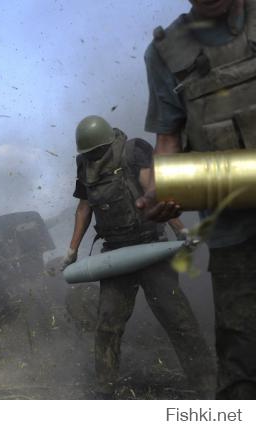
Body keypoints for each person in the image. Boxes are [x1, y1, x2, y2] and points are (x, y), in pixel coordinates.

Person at [142, 0, 256, 399]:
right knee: (243, 363)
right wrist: (162, 188)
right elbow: (168, 139)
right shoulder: (165, 51)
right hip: (233, 235)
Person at [62, 116, 214, 399]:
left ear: (108, 142)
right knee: (108, 325)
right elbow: (84, 207)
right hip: (115, 255)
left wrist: (181, 231)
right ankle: (105, 390)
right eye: (89, 154)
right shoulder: (84, 165)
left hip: (151, 249)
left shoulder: (133, 151)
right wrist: (72, 250)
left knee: (179, 321)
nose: (94, 157)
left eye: (96, 152)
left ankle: (206, 385)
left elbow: (153, 192)